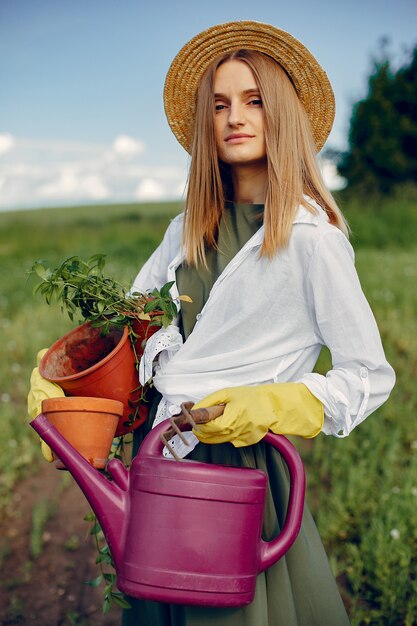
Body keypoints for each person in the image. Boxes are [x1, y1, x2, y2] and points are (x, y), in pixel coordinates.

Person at [29, 20, 395, 626]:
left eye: (254, 101)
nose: (235, 117)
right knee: (156, 605)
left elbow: (367, 376)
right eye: (220, 105)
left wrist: (275, 405)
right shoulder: (185, 231)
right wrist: (67, 386)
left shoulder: (311, 240)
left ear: (282, 114)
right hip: (161, 458)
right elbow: (130, 328)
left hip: (242, 469)